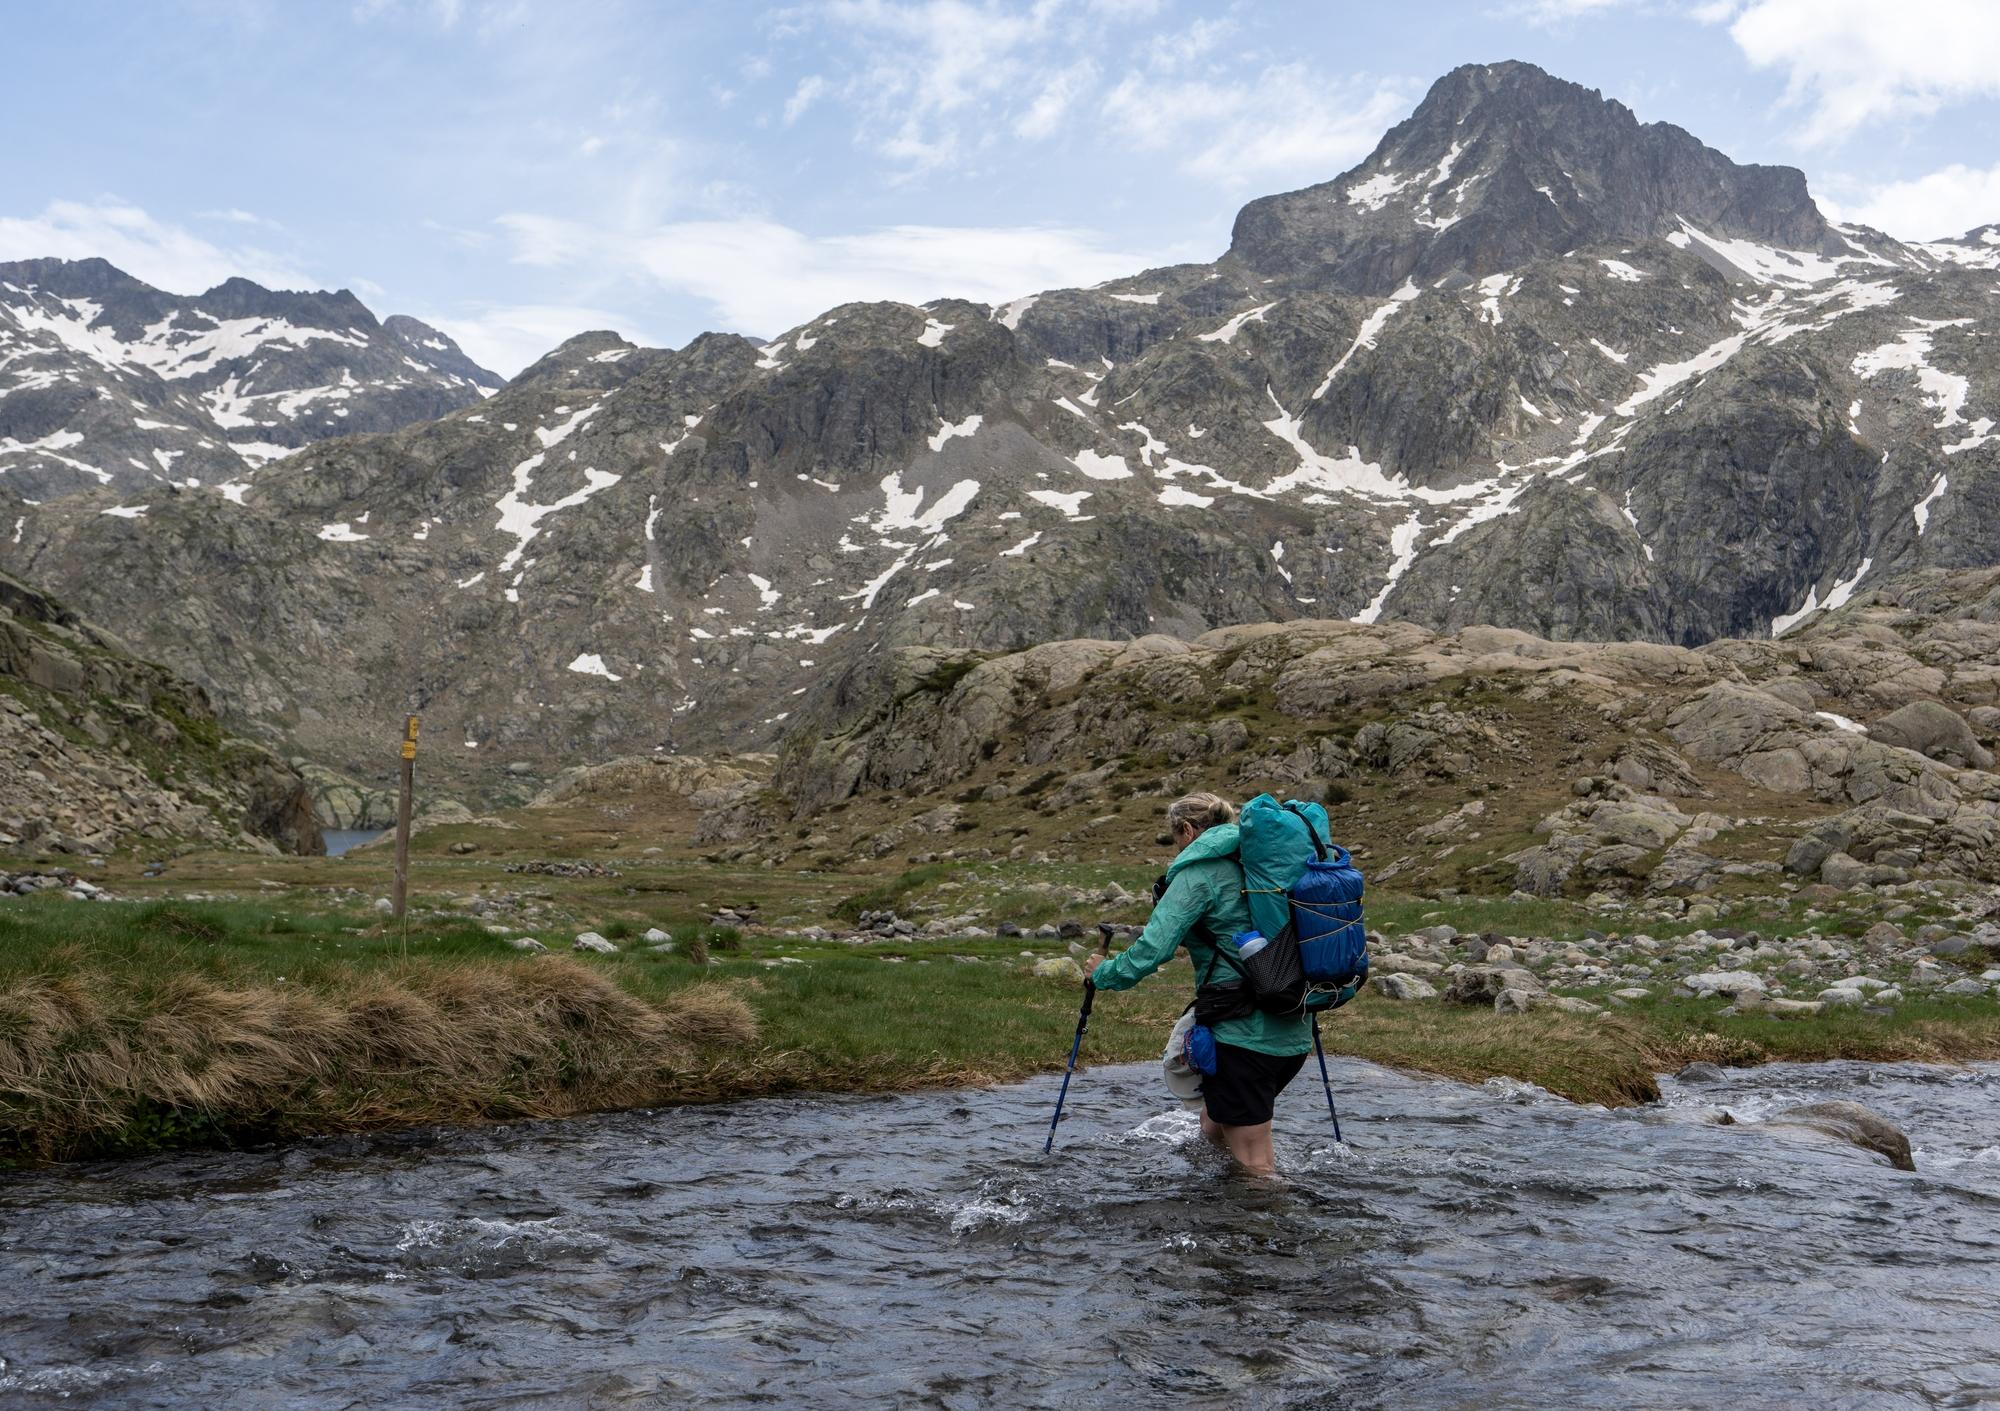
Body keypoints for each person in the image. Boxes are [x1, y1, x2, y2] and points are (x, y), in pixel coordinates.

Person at [1079, 792, 1311, 1176]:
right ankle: (1216, 1207)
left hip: (1243, 1038)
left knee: (1255, 1163)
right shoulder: (1261, 864)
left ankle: (1263, 1231)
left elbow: (1153, 948)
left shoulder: (1198, 873)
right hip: (1294, 1027)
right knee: (1213, 1125)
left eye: (1175, 837)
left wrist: (1103, 973)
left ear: (1186, 830)